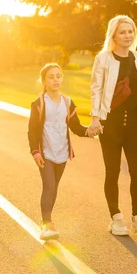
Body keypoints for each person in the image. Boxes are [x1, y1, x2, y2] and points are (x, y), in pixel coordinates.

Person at [87, 15, 137, 241]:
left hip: (134, 122)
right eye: (122, 32)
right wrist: (95, 118)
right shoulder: (103, 59)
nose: (127, 35)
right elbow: (96, 89)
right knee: (112, 172)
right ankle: (116, 218)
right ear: (113, 35)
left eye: (130, 31)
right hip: (110, 122)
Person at [28, 63, 91, 240]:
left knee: (54, 188)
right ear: (43, 82)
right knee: (48, 186)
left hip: (62, 153)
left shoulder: (68, 102)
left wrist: (90, 131)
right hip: (45, 152)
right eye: (51, 77)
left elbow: (76, 127)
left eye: (58, 76)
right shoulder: (39, 103)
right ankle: (47, 224)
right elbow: (32, 131)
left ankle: (45, 219)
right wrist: (36, 152)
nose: (55, 79)